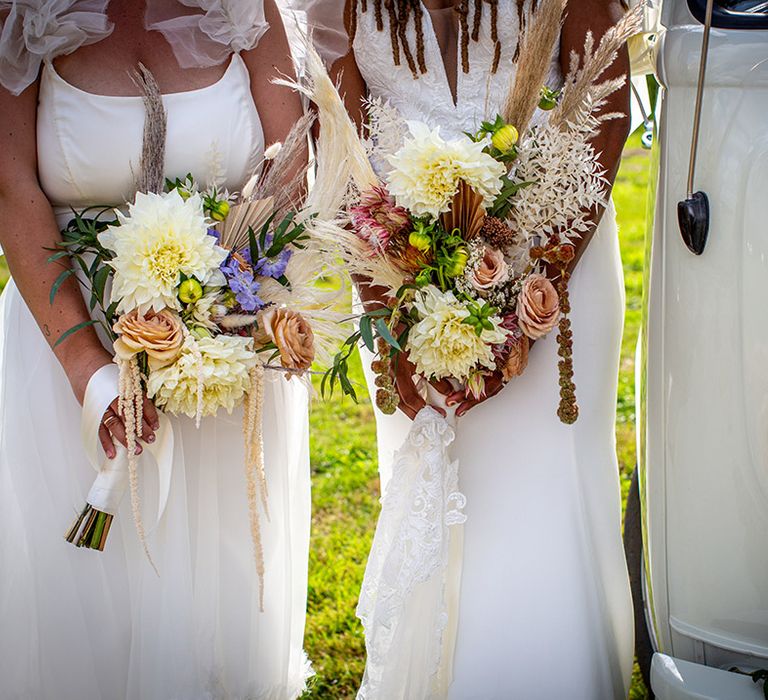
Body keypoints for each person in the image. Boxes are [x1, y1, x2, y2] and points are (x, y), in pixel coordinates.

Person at [304, 0, 635, 696]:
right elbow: (335, 135)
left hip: (555, 249)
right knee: (443, 491)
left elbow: (605, 110)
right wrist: (388, 312)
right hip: (400, 273)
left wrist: (538, 283)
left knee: (545, 487)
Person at [0, 1, 312, 697]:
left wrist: (219, 312)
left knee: (214, 601)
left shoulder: (245, 11)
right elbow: (12, 187)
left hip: (223, 350)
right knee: (87, 602)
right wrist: (90, 371)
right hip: (69, 340)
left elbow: (291, 166)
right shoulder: (24, 15)